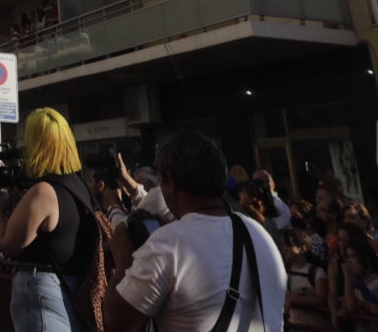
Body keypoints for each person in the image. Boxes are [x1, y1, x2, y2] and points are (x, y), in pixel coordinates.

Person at [105, 129, 287, 332]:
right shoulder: (257, 232)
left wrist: (123, 262)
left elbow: (114, 323)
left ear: (169, 180)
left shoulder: (167, 244)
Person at [0, 108, 101, 332]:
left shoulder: (44, 193)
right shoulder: (80, 187)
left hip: (44, 292)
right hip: (70, 289)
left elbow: (5, 242)